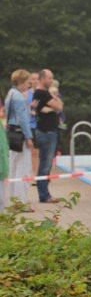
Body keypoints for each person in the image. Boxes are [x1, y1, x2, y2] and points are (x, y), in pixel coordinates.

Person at [4, 69, 35, 211]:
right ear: (22, 82)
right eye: (28, 82)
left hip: (10, 134)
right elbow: (23, 120)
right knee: (23, 169)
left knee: (12, 168)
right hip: (20, 135)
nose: (29, 85)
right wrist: (29, 137)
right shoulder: (19, 97)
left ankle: (11, 201)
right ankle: (21, 203)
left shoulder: (10, 94)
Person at [32, 69, 63, 204]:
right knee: (45, 164)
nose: (51, 81)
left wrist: (55, 106)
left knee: (46, 163)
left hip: (48, 131)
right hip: (47, 132)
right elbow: (59, 106)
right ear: (42, 78)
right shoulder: (42, 93)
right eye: (49, 78)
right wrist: (55, 104)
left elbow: (59, 107)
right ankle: (44, 195)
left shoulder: (42, 94)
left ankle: (44, 194)